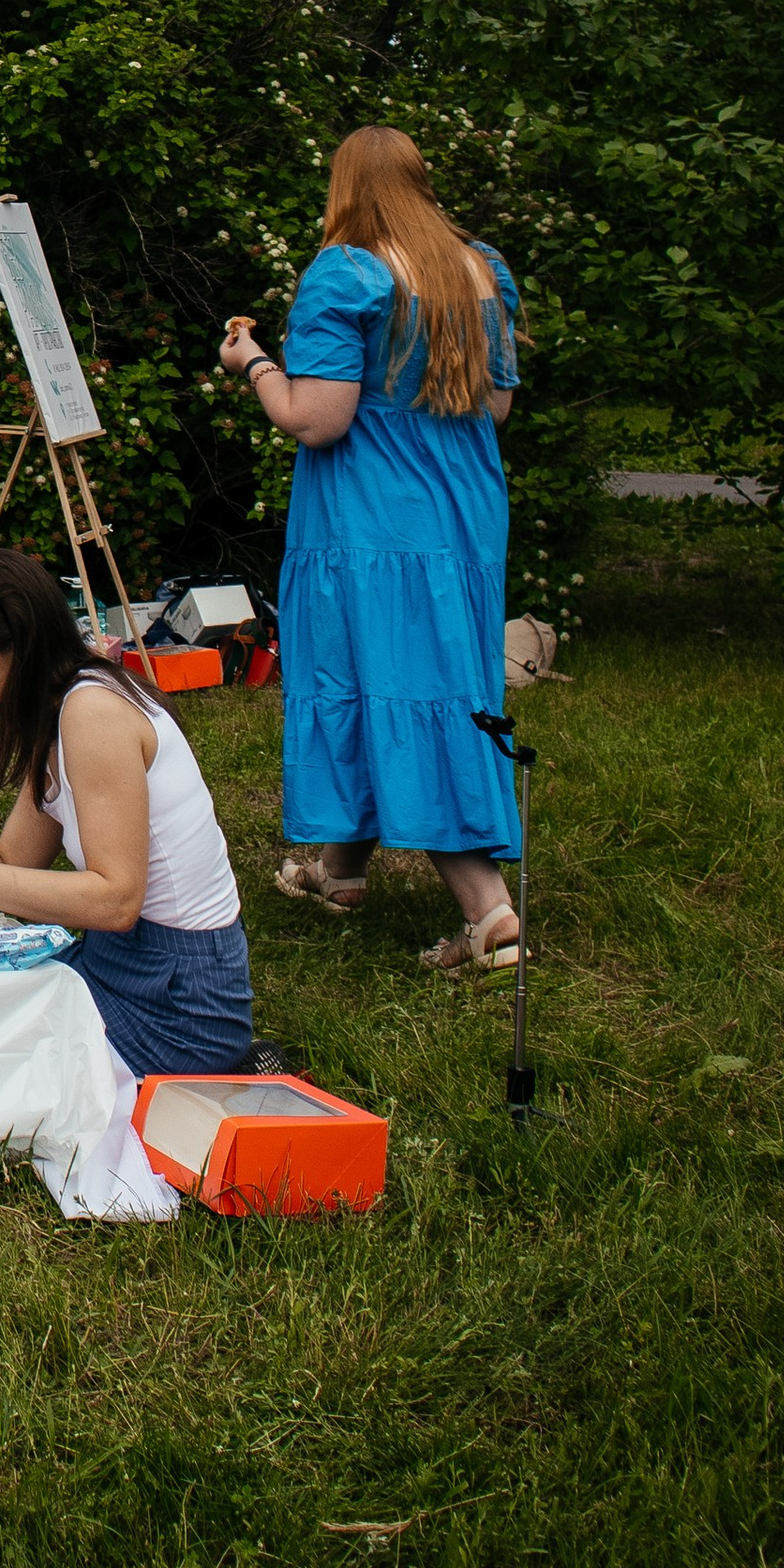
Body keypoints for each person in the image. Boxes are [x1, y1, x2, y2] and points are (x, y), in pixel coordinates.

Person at [220, 125, 524, 978]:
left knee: (409, 689)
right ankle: (341, 873)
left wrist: (254, 364)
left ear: (346, 187)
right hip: (461, 510)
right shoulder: (479, 271)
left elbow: (317, 419)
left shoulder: (347, 272)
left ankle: (488, 914)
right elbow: (496, 409)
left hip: (374, 518)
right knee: (384, 677)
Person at [0, 549, 255, 1078]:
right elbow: (13, 860)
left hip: (180, 1004)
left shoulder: (93, 713)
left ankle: (218, 1075)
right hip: (118, 963)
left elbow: (116, 901)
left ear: (20, 651)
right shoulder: (55, 708)